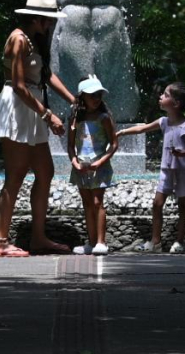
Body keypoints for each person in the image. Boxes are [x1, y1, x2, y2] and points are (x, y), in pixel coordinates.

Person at [0, 0, 77, 257]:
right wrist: (48, 115)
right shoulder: (18, 39)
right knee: (16, 174)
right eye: (49, 19)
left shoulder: (35, 40)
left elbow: (45, 75)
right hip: (17, 108)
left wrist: (73, 99)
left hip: (32, 108)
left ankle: (38, 238)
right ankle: (1, 242)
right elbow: (19, 86)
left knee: (45, 171)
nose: (52, 24)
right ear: (37, 19)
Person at [117, 82, 185, 253]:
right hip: (167, 169)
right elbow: (142, 129)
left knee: (183, 205)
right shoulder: (164, 121)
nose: (160, 96)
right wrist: (122, 132)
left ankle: (179, 242)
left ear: (176, 103)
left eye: (165, 95)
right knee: (157, 203)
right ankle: (155, 241)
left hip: (184, 171)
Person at [68, 76, 117, 255]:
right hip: (81, 166)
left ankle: (101, 242)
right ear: (82, 97)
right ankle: (91, 242)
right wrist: (74, 162)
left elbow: (114, 144)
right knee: (87, 203)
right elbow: (70, 146)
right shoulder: (75, 119)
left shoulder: (103, 118)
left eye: (99, 95)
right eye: (92, 95)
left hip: (99, 165)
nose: (96, 99)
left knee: (97, 202)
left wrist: (101, 161)